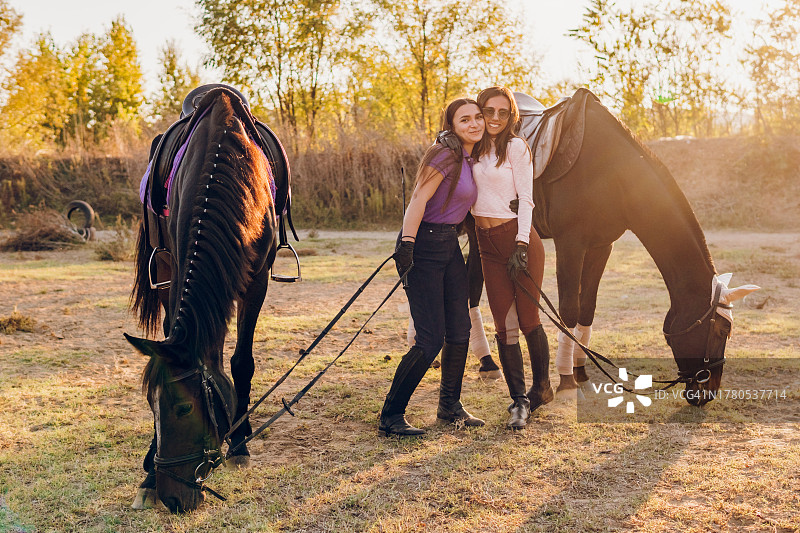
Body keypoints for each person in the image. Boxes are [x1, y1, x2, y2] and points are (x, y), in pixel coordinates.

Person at [378, 98, 486, 437]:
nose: (474, 124)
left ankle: (449, 406)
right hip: (422, 245)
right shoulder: (444, 154)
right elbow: (418, 200)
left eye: (478, 117)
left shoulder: (470, 157)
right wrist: (407, 244)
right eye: (464, 119)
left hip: (449, 245)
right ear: (452, 125)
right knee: (429, 338)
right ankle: (391, 416)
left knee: (460, 330)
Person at [470, 86, 553, 430]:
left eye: (504, 113)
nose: (495, 119)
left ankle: (542, 388)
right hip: (486, 243)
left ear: (511, 117)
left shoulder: (517, 148)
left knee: (529, 319)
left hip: (518, 242)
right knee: (504, 326)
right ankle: (518, 401)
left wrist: (521, 243)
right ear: (481, 111)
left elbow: (527, 199)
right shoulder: (470, 148)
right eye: (489, 111)